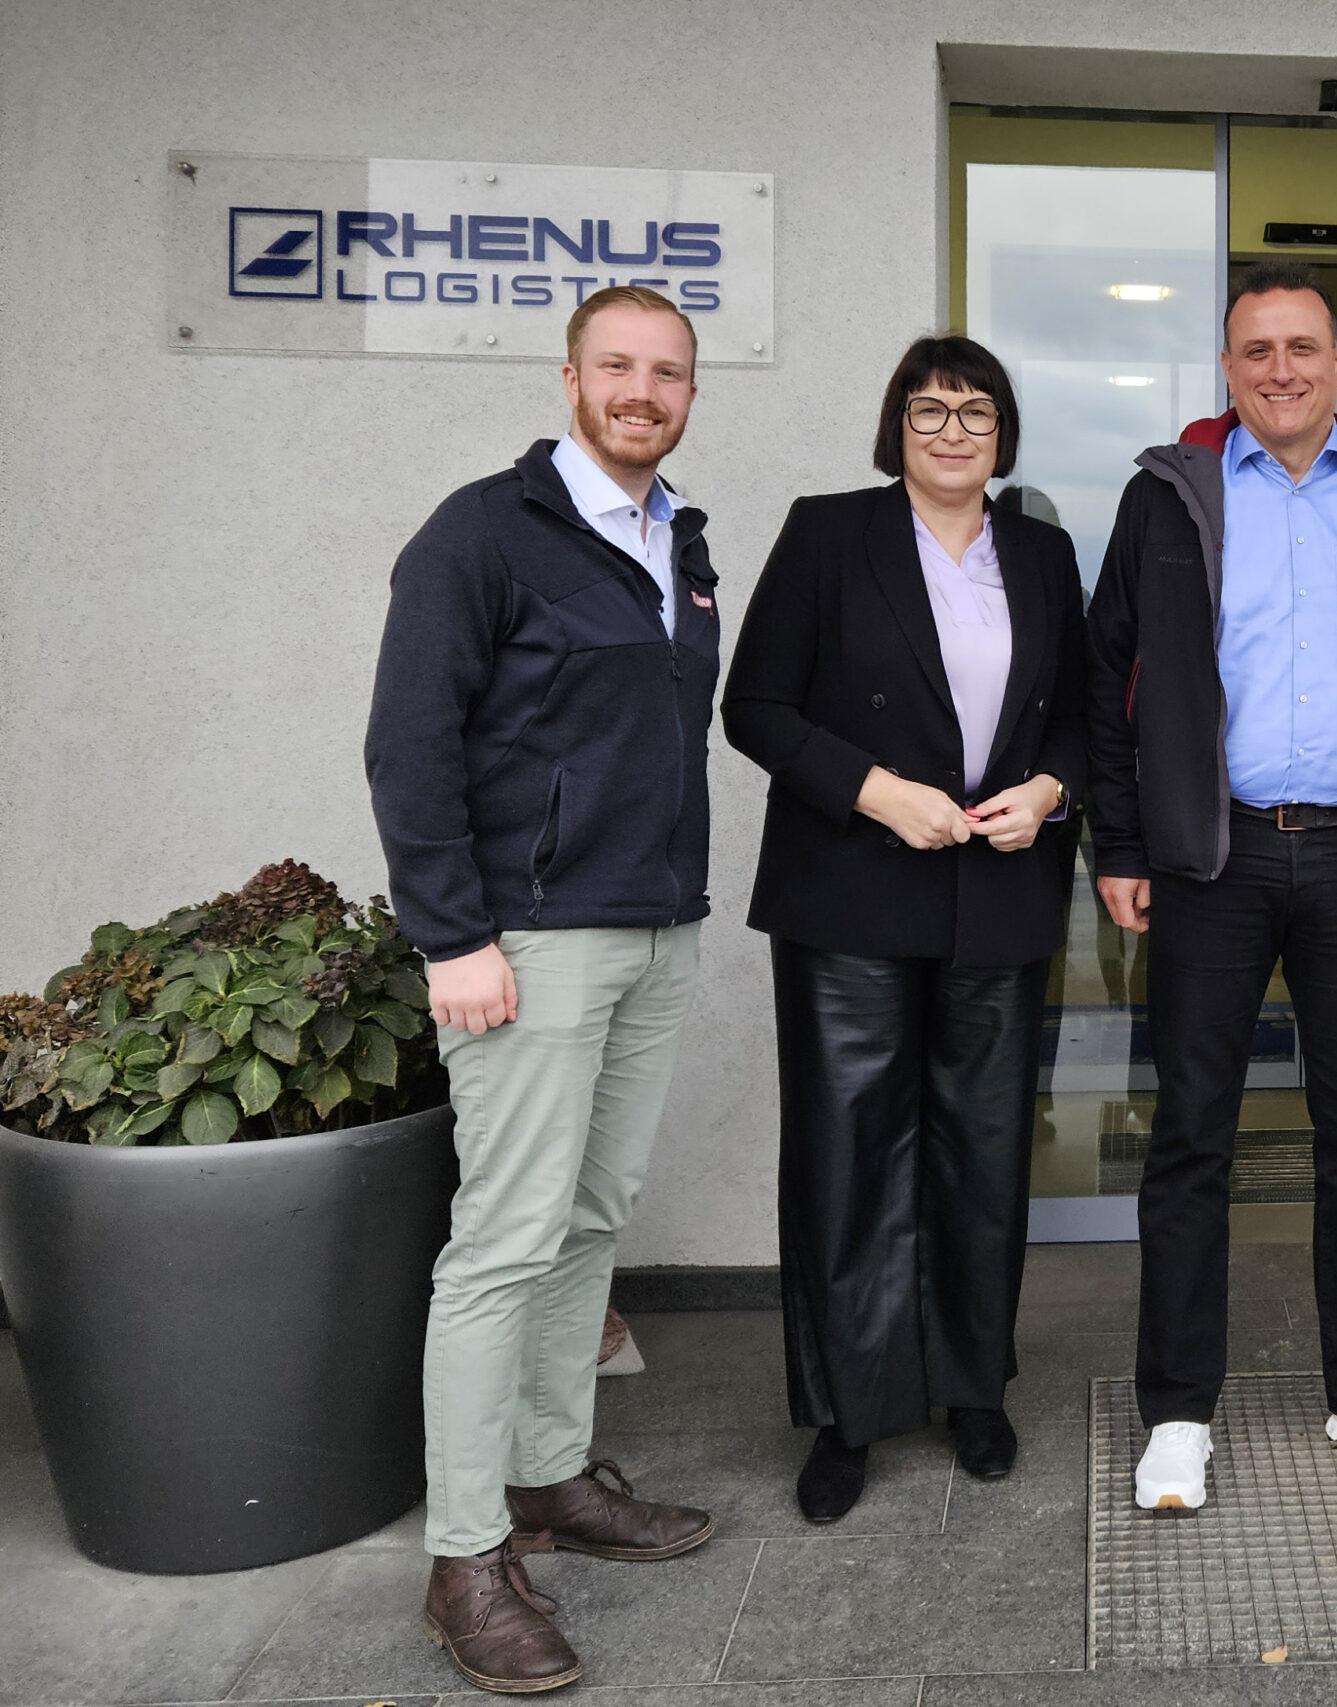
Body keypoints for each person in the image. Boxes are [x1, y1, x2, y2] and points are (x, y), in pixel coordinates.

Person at [366, 286, 723, 1694]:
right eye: (617, 366)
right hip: (526, 941)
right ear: (570, 378)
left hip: (654, 931)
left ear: (689, 392)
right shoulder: (481, 533)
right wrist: (452, 935)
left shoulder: (678, 537)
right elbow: (410, 742)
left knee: (588, 1218)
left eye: (668, 372)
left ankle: (551, 1476)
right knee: (503, 1242)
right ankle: (464, 1557)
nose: (643, 390)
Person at [1085, 261, 1337, 1511]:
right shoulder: (1169, 496)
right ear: (1226, 367)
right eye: (1256, 350)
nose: (1280, 370)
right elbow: (1109, 676)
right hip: (1213, 855)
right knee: (1190, 1137)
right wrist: (1121, 844)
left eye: (1302, 347)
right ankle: (1176, 1411)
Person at [723, 336, 1086, 1524]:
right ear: (896, 429)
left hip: (997, 890)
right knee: (852, 1155)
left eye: (976, 412)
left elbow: (1083, 715)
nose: (952, 432)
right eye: (929, 411)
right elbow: (754, 706)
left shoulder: (1040, 551)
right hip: (852, 891)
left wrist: (1049, 792)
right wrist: (876, 791)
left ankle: (973, 1389)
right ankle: (849, 1414)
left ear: (1003, 434)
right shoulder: (829, 534)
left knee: (982, 1154)